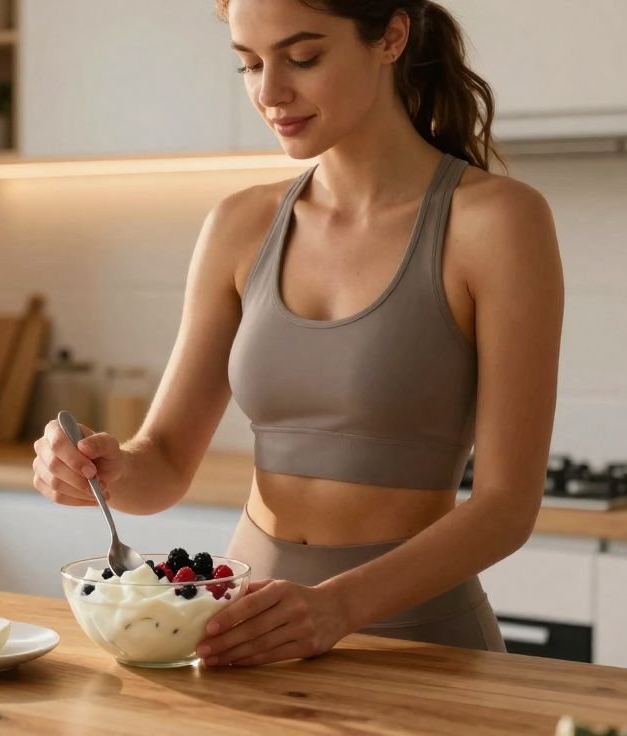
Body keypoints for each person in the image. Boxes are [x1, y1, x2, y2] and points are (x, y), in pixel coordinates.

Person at [31, 0, 563, 667]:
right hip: (244, 628)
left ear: (392, 36)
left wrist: (337, 607)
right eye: (248, 64)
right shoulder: (239, 223)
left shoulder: (498, 222)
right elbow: (161, 465)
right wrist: (102, 472)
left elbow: (508, 507)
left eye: (302, 58)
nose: (269, 92)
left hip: (416, 644)